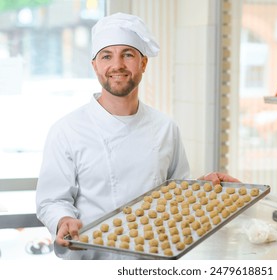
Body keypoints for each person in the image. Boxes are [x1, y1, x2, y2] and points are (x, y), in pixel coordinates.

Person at [35, 12, 239, 260]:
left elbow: (178, 197)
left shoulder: (166, 128)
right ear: (95, 65)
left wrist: (205, 188)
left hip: (153, 261)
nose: (117, 65)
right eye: (106, 56)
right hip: (92, 264)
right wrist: (63, 219)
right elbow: (51, 200)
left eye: (128, 54)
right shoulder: (67, 130)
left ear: (143, 63)